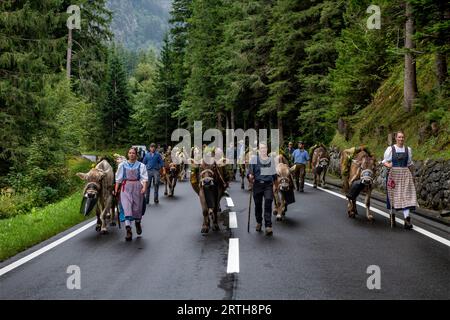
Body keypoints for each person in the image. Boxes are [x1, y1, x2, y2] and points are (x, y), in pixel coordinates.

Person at [382, 130, 417, 229]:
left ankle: (407, 220)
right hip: (394, 175)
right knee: (393, 196)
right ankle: (392, 216)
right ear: (396, 138)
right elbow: (384, 161)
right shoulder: (390, 149)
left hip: (405, 174)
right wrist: (388, 164)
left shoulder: (408, 149)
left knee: (406, 196)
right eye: (399, 137)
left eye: (402, 137)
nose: (401, 139)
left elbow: (410, 163)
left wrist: (413, 175)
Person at [114, 147, 148, 241]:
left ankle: (137, 223)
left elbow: (144, 178)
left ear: (136, 154)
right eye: (130, 153)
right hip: (126, 187)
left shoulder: (141, 165)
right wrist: (116, 189)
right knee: (126, 207)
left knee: (137, 208)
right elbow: (118, 178)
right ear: (127, 154)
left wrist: (144, 187)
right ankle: (128, 230)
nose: (131, 154)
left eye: (133, 153)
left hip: (137, 186)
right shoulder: (122, 165)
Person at [247, 143, 277, 236]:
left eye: (265, 148)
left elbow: (274, 174)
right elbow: (249, 173)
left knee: (268, 203)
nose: (263, 150)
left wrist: (276, 185)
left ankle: (268, 226)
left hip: (268, 185)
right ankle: (259, 222)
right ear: (259, 150)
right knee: (258, 205)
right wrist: (250, 176)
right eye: (261, 148)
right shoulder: (254, 159)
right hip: (257, 185)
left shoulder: (271, 160)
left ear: (267, 149)